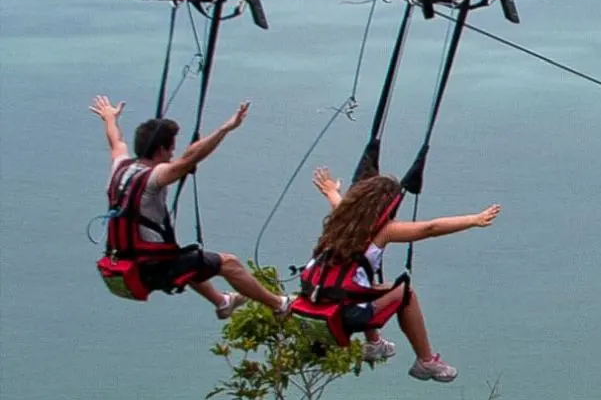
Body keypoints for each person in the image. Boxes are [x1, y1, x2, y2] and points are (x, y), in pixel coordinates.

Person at [92, 95, 290, 316]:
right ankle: (279, 305)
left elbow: (116, 142)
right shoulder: (154, 177)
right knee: (229, 263)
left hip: (124, 259)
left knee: (190, 259)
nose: (172, 155)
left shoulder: (120, 168)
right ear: (159, 150)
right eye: (170, 150)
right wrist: (226, 128)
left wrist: (110, 118)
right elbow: (190, 159)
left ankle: (222, 302)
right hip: (152, 268)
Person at [297, 167, 498, 382]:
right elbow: (429, 228)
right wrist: (473, 220)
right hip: (347, 314)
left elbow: (338, 201)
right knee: (406, 294)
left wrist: (330, 190)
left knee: (367, 285)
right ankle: (426, 361)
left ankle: (374, 344)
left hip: (316, 301)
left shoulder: (341, 220)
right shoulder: (384, 230)